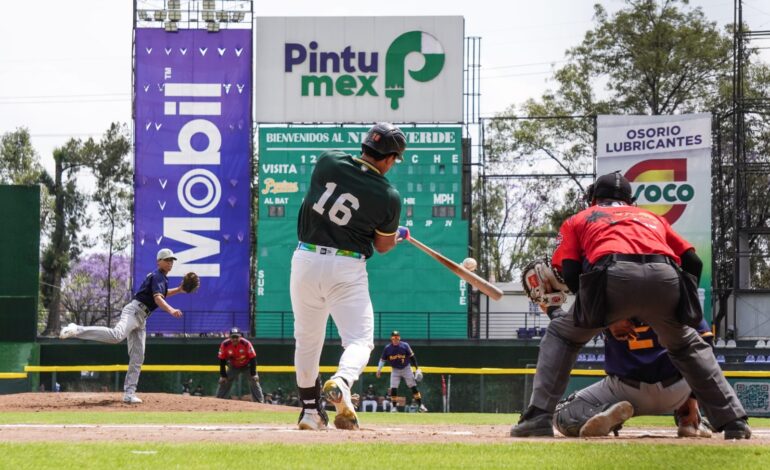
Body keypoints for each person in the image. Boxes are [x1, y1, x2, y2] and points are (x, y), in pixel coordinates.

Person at [510, 172, 751, 440]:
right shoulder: (651, 218)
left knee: (560, 334)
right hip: (666, 276)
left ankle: (538, 417)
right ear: (630, 201)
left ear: (593, 199)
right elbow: (693, 262)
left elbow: (570, 271)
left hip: (613, 276)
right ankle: (734, 422)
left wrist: (598, 313)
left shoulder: (579, 219)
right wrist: (680, 303)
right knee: (687, 346)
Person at [291, 122, 408, 431]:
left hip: (304, 259)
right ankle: (342, 381)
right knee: (359, 339)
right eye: (394, 159)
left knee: (306, 341)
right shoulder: (388, 195)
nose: (392, 165)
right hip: (346, 266)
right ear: (388, 158)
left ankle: (309, 413)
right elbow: (383, 245)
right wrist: (397, 234)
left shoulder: (328, 159)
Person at [554, 314, 714, 438]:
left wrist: (551, 309)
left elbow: (569, 328)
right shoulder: (674, 294)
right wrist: (693, 398)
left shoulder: (611, 303)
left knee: (560, 414)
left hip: (625, 391)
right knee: (689, 358)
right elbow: (706, 344)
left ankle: (605, 411)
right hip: (677, 390)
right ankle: (688, 421)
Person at [59, 248, 187, 404]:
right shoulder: (158, 275)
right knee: (116, 336)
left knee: (138, 356)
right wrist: (171, 310)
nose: (170, 263)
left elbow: (162, 294)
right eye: (167, 260)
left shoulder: (161, 278)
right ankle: (77, 329)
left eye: (171, 260)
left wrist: (179, 290)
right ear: (158, 261)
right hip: (134, 312)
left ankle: (129, 393)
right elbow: (158, 298)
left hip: (141, 318)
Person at [376, 330, 427, 413]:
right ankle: (394, 407)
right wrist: (379, 369)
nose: (395, 339)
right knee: (393, 388)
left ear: (399, 338)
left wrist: (417, 368)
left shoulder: (405, 345)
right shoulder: (387, 348)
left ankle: (421, 405)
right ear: (391, 339)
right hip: (395, 370)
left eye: (397, 337)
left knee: (413, 386)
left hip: (406, 368)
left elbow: (412, 357)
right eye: (393, 338)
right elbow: (382, 360)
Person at [215, 327, 264, 403]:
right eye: (233, 337)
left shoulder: (246, 343)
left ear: (240, 337)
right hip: (233, 366)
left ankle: (259, 402)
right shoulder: (225, 344)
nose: (235, 339)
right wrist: (223, 375)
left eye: (236, 337)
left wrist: (254, 374)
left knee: (254, 381)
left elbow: (253, 358)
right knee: (224, 381)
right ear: (229, 337)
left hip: (247, 365)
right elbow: (222, 360)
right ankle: (219, 400)